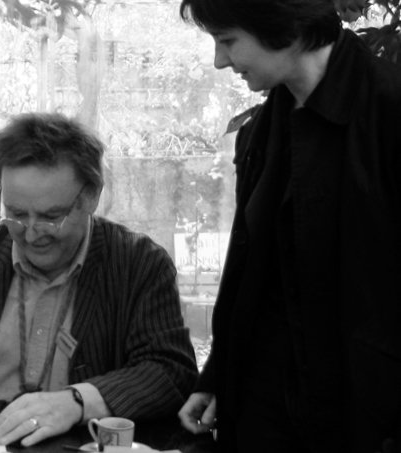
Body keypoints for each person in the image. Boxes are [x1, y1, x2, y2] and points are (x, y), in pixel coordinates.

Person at [0, 112, 198, 447]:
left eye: (51, 216)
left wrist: (77, 401)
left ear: (91, 196)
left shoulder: (138, 264)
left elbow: (170, 370)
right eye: (16, 214)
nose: (31, 234)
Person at [176, 1, 401, 452]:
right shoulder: (262, 129)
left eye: (228, 40)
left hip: (367, 416)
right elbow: (255, 275)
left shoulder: (389, 109)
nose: (220, 61)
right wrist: (219, 375)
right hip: (267, 408)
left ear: (282, 25)